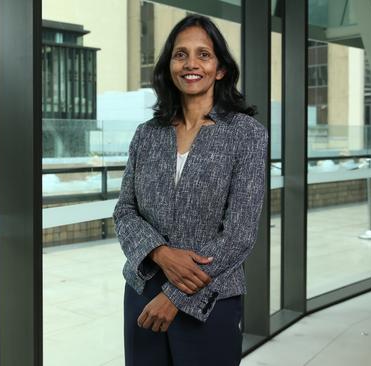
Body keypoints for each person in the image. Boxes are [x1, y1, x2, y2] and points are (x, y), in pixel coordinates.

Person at [113, 14, 268, 366]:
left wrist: (175, 298)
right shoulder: (147, 134)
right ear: (169, 66)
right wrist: (160, 253)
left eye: (203, 54)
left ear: (221, 69)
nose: (191, 64)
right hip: (142, 291)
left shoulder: (246, 134)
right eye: (180, 54)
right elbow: (125, 211)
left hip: (210, 299)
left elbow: (240, 234)